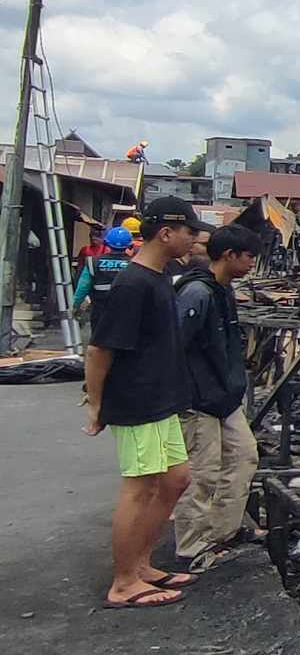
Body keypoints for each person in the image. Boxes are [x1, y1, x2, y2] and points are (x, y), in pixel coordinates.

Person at [82, 196, 214, 609]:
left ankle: (141, 565)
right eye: (190, 232)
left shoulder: (160, 275)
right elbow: (99, 350)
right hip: (138, 400)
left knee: (175, 480)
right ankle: (123, 582)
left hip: (161, 398)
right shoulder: (133, 283)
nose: (195, 240)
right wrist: (96, 405)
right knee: (139, 488)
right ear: (166, 233)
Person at [173, 224, 260, 567]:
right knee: (203, 472)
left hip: (224, 395)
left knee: (244, 456)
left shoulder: (223, 291)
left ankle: (224, 529)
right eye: (250, 256)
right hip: (199, 399)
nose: (253, 262)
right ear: (229, 255)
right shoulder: (198, 293)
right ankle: (192, 546)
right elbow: (174, 346)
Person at [74, 225, 135, 309]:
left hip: (99, 312)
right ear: (130, 245)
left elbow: (82, 288)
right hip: (126, 312)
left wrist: (75, 306)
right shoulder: (134, 264)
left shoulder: (93, 262)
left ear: (106, 243)